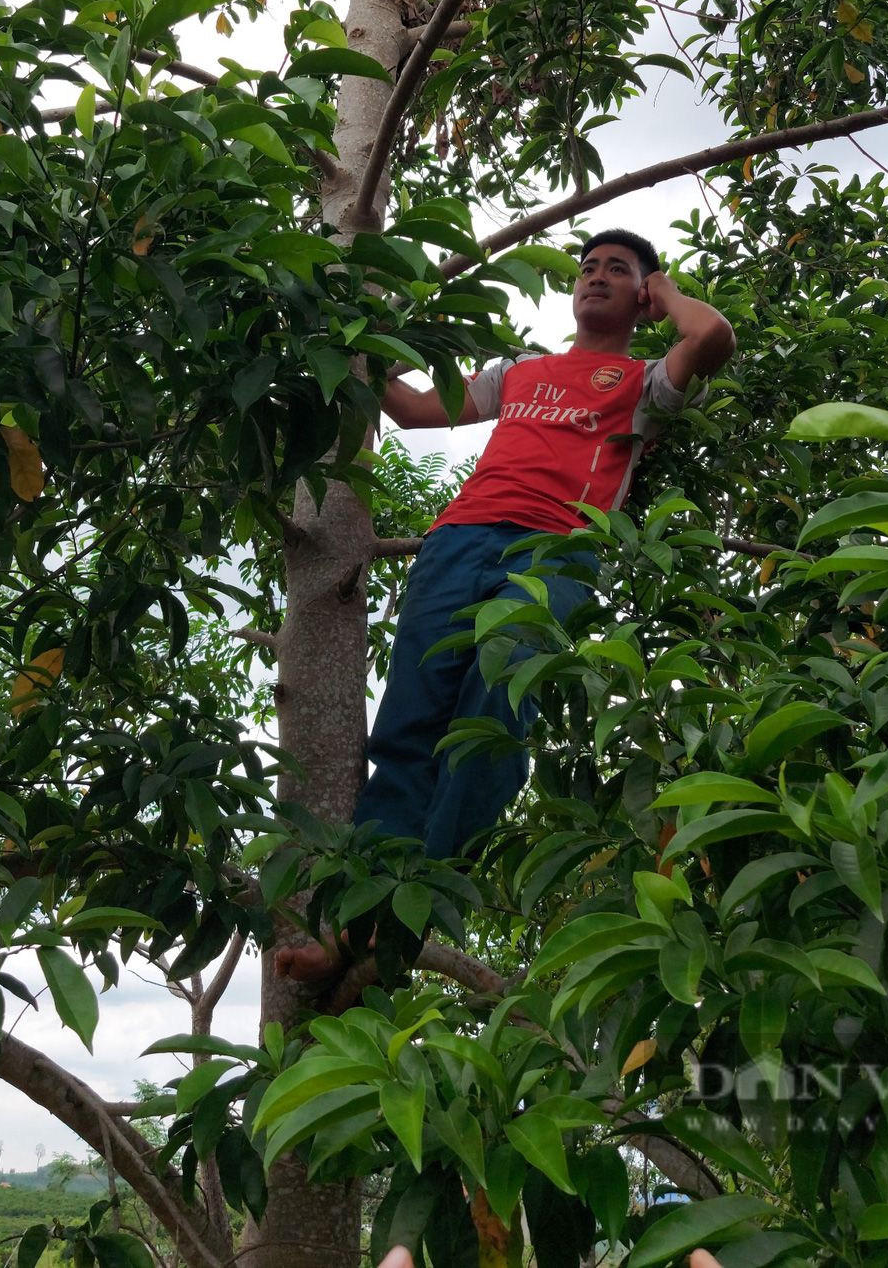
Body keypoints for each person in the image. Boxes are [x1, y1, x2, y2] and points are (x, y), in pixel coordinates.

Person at [276, 229, 735, 983]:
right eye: (588, 266)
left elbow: (711, 334)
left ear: (644, 294)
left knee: (495, 711)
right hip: (455, 541)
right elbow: (414, 411)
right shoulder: (521, 369)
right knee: (409, 722)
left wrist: (671, 298)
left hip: (552, 551)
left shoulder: (646, 378)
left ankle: (410, 910)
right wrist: (358, 335)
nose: (595, 276)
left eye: (618, 271)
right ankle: (354, 926)